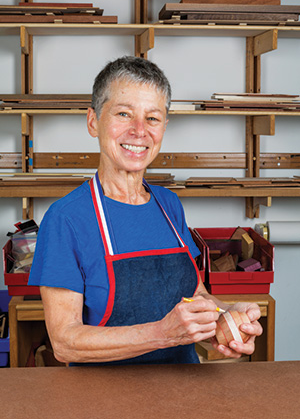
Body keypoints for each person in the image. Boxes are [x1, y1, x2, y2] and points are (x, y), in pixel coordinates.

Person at [29, 56, 262, 365]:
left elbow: (196, 296)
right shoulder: (66, 219)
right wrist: (163, 333)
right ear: (93, 121)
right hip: (102, 401)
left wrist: (225, 319)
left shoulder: (168, 206)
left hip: (181, 390)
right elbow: (65, 342)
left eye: (152, 118)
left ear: (164, 127)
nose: (139, 131)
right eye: (124, 114)